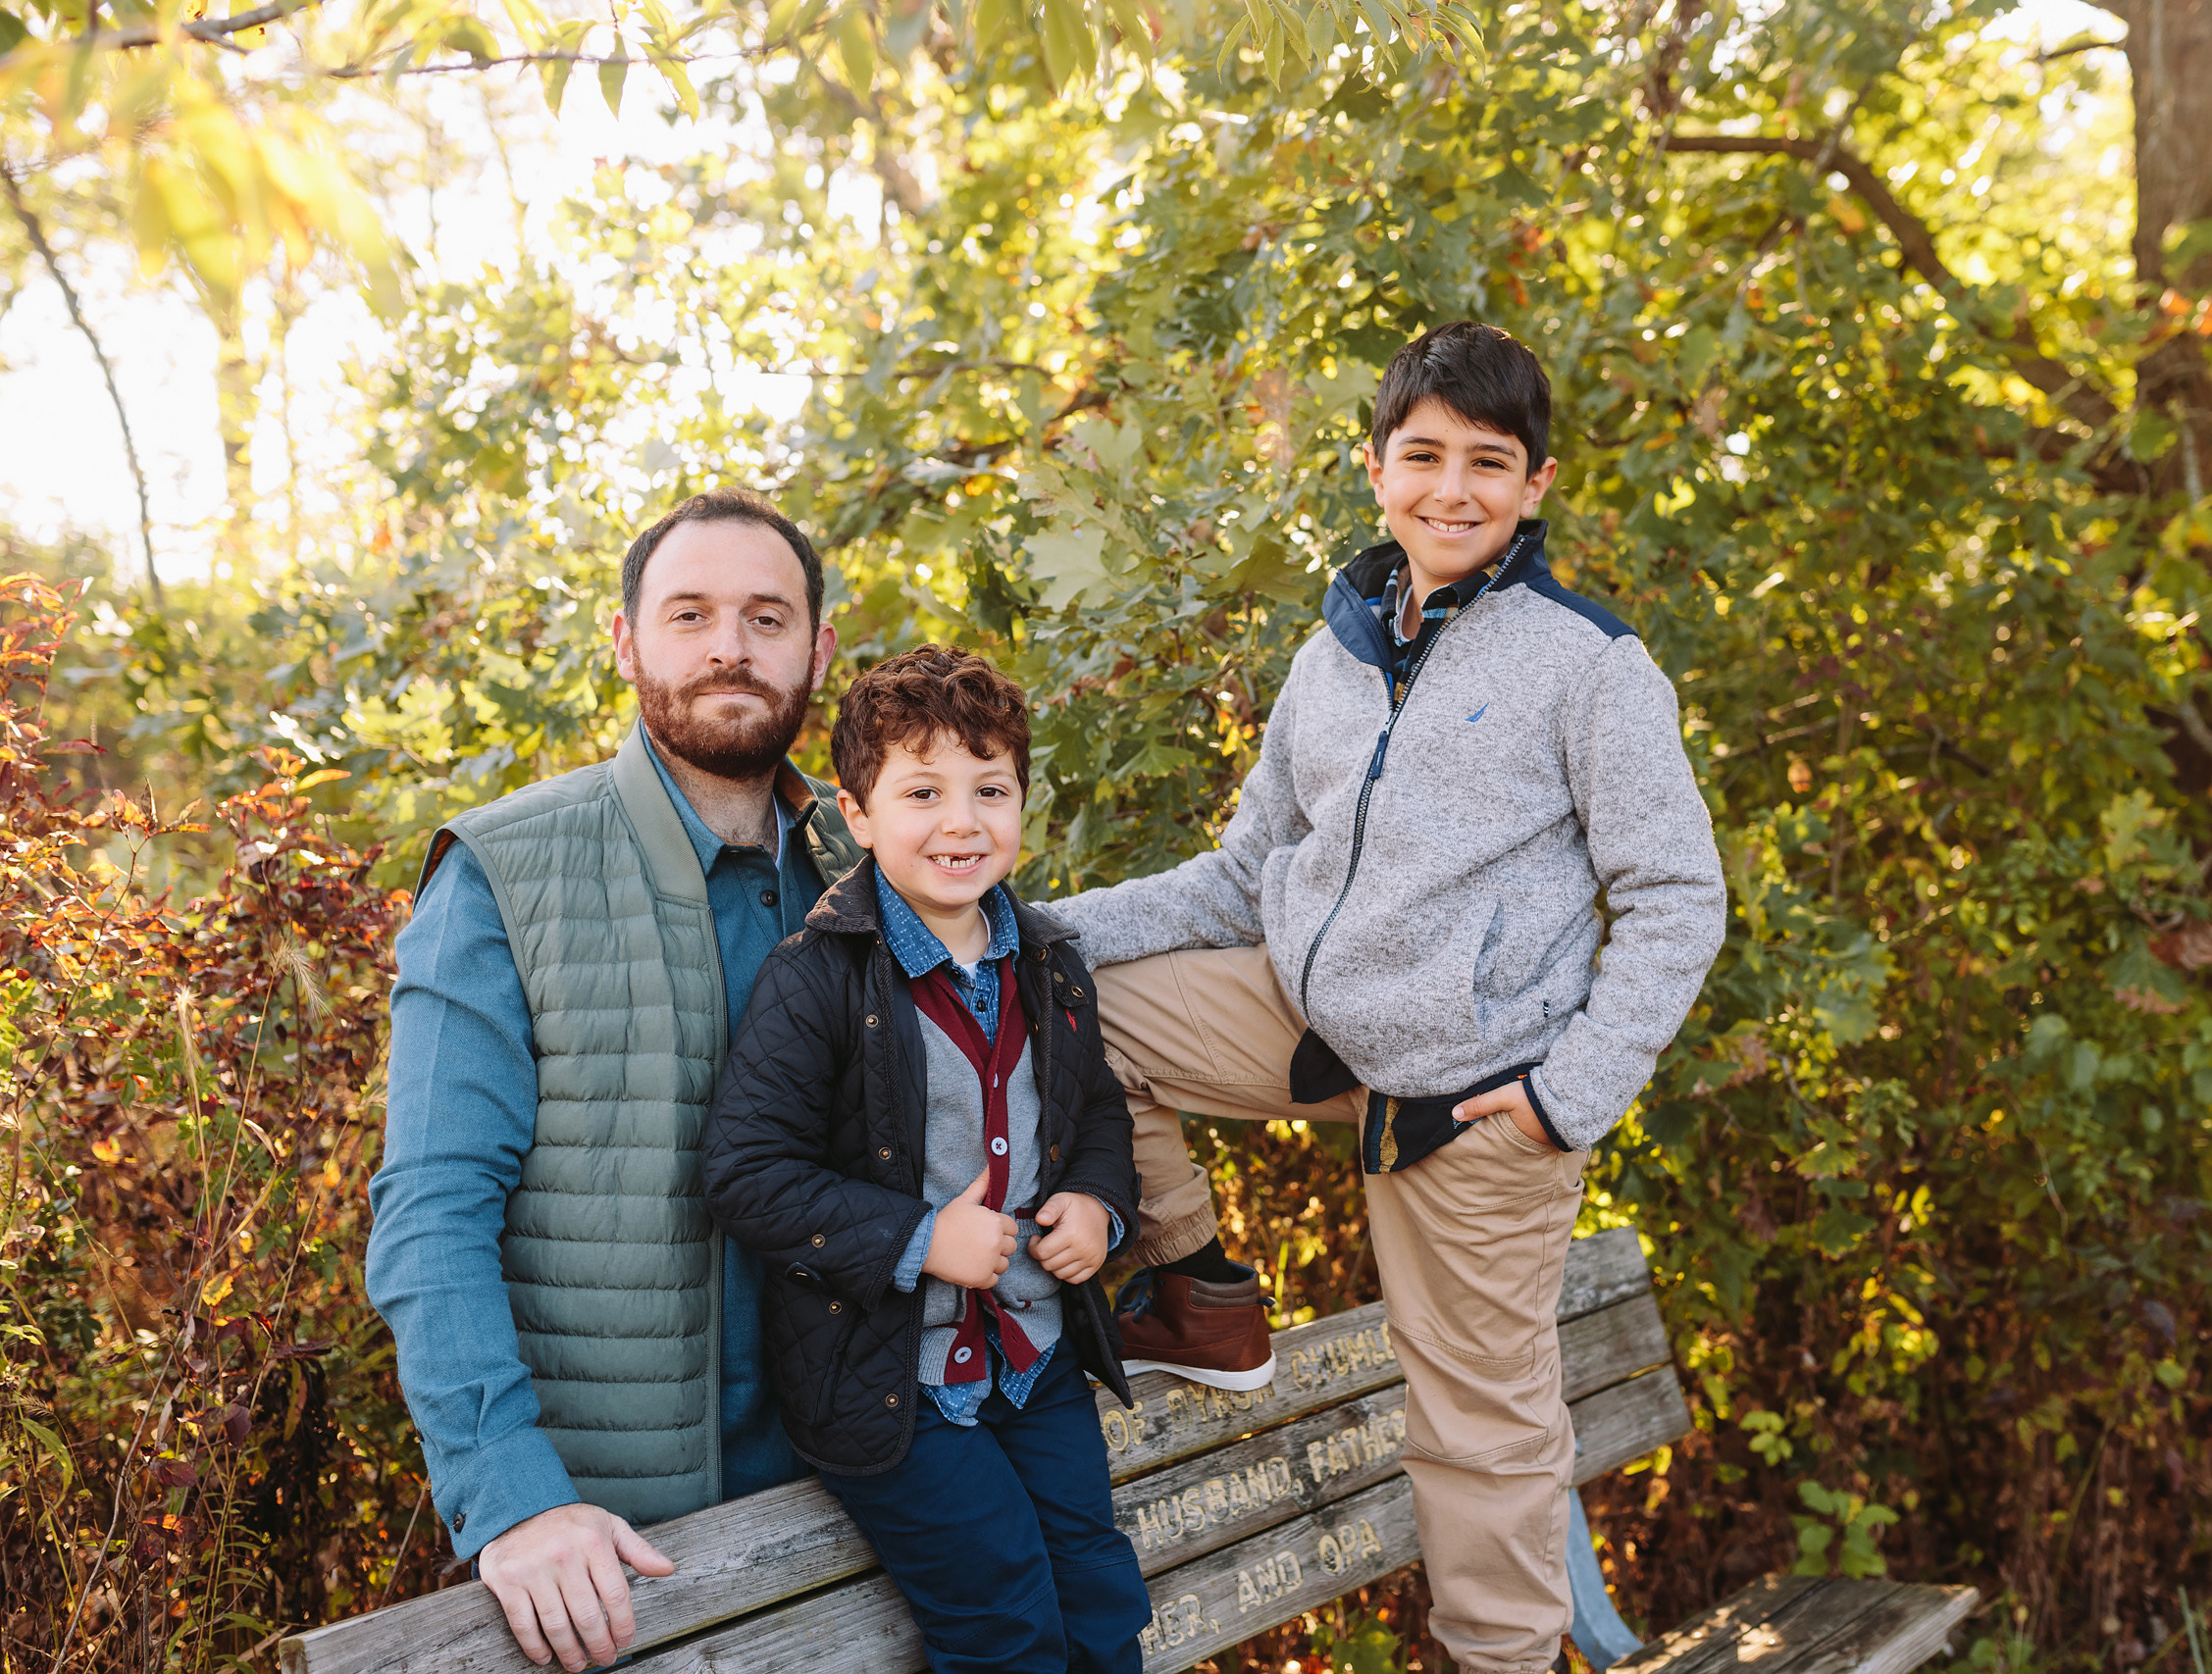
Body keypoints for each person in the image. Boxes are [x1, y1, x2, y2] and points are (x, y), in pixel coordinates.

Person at [1054, 321, 1726, 1674]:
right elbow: (1245, 874)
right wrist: (1028, 933)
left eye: (1489, 461)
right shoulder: (1336, 652)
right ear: (1376, 468)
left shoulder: (1589, 665)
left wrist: (1563, 1097)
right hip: (1312, 1020)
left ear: (1535, 482)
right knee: (1087, 1010)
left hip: (1477, 1093)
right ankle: (1202, 1295)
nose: (1453, 489)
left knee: (1478, 1430)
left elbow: (1677, 897)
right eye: (1423, 455)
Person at [367, 487, 862, 1672]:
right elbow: (431, 1213)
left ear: (819, 650)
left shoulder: (878, 868)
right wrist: (514, 1501)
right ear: (628, 643)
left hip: (866, 1512)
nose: (729, 647)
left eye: (765, 617)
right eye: (689, 615)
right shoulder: (503, 873)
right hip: (620, 1550)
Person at [700, 644, 1150, 1673]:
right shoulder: (817, 978)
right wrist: (919, 1237)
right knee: (1001, 1616)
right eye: (922, 792)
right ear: (856, 815)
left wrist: (1096, 1202)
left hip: (1035, 1358)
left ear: (1023, 803)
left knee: (1098, 1595)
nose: (962, 821)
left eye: (991, 789)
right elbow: (745, 1171)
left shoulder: (1050, 961)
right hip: (888, 1381)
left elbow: (1098, 1119)